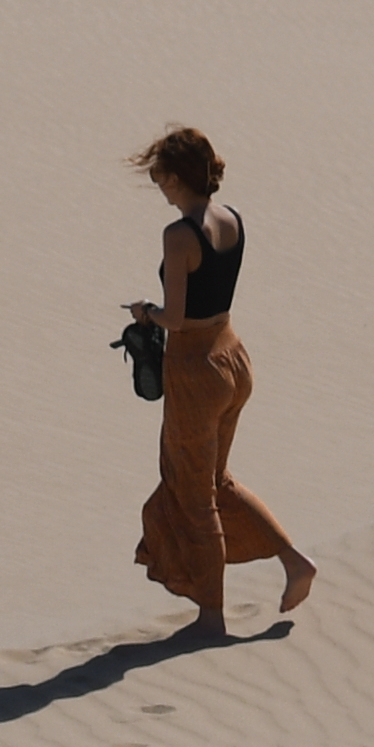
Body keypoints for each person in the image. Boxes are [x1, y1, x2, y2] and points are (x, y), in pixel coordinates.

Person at [125, 123, 315, 637]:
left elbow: (178, 317)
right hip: (233, 358)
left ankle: (210, 617)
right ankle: (295, 561)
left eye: (162, 178)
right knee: (216, 482)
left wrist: (147, 312)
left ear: (180, 176)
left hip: (195, 370)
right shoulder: (231, 220)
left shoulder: (179, 234)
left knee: (196, 495)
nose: (160, 188)